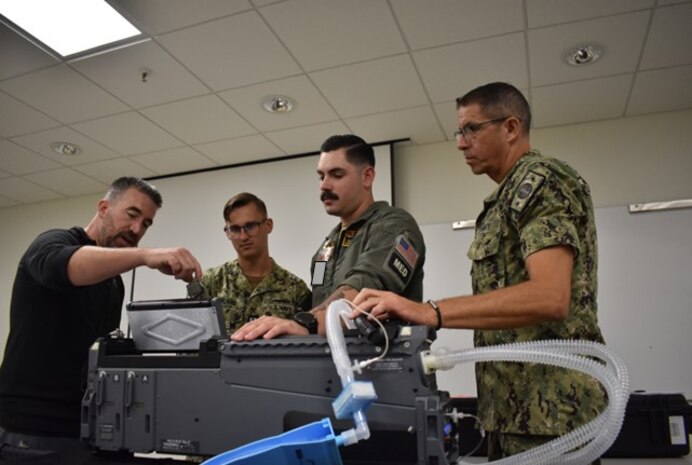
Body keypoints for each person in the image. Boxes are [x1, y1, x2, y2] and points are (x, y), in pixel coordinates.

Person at [353, 82, 606, 463]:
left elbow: (550, 297)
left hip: (553, 412)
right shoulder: (503, 198)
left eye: (472, 129)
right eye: (460, 131)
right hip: (513, 411)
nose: (460, 143)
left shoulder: (542, 180)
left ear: (510, 127)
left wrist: (430, 311)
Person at [0, 176, 202, 458]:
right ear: (104, 208)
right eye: (132, 215)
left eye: (146, 223)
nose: (136, 229)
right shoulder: (52, 242)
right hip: (35, 433)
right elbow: (66, 265)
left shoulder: (113, 283)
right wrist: (145, 256)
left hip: (91, 431)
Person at [231, 134, 426, 341]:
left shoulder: (393, 225)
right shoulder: (325, 250)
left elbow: (364, 290)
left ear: (367, 176)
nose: (325, 185)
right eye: (321, 176)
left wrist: (306, 323)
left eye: (336, 175)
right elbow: (318, 299)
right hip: (331, 363)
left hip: (383, 363)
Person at [193, 192, 312, 333]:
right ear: (228, 233)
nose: (243, 236)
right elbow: (190, 341)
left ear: (268, 225)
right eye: (235, 229)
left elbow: (308, 342)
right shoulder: (211, 282)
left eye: (250, 226)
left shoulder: (295, 289)